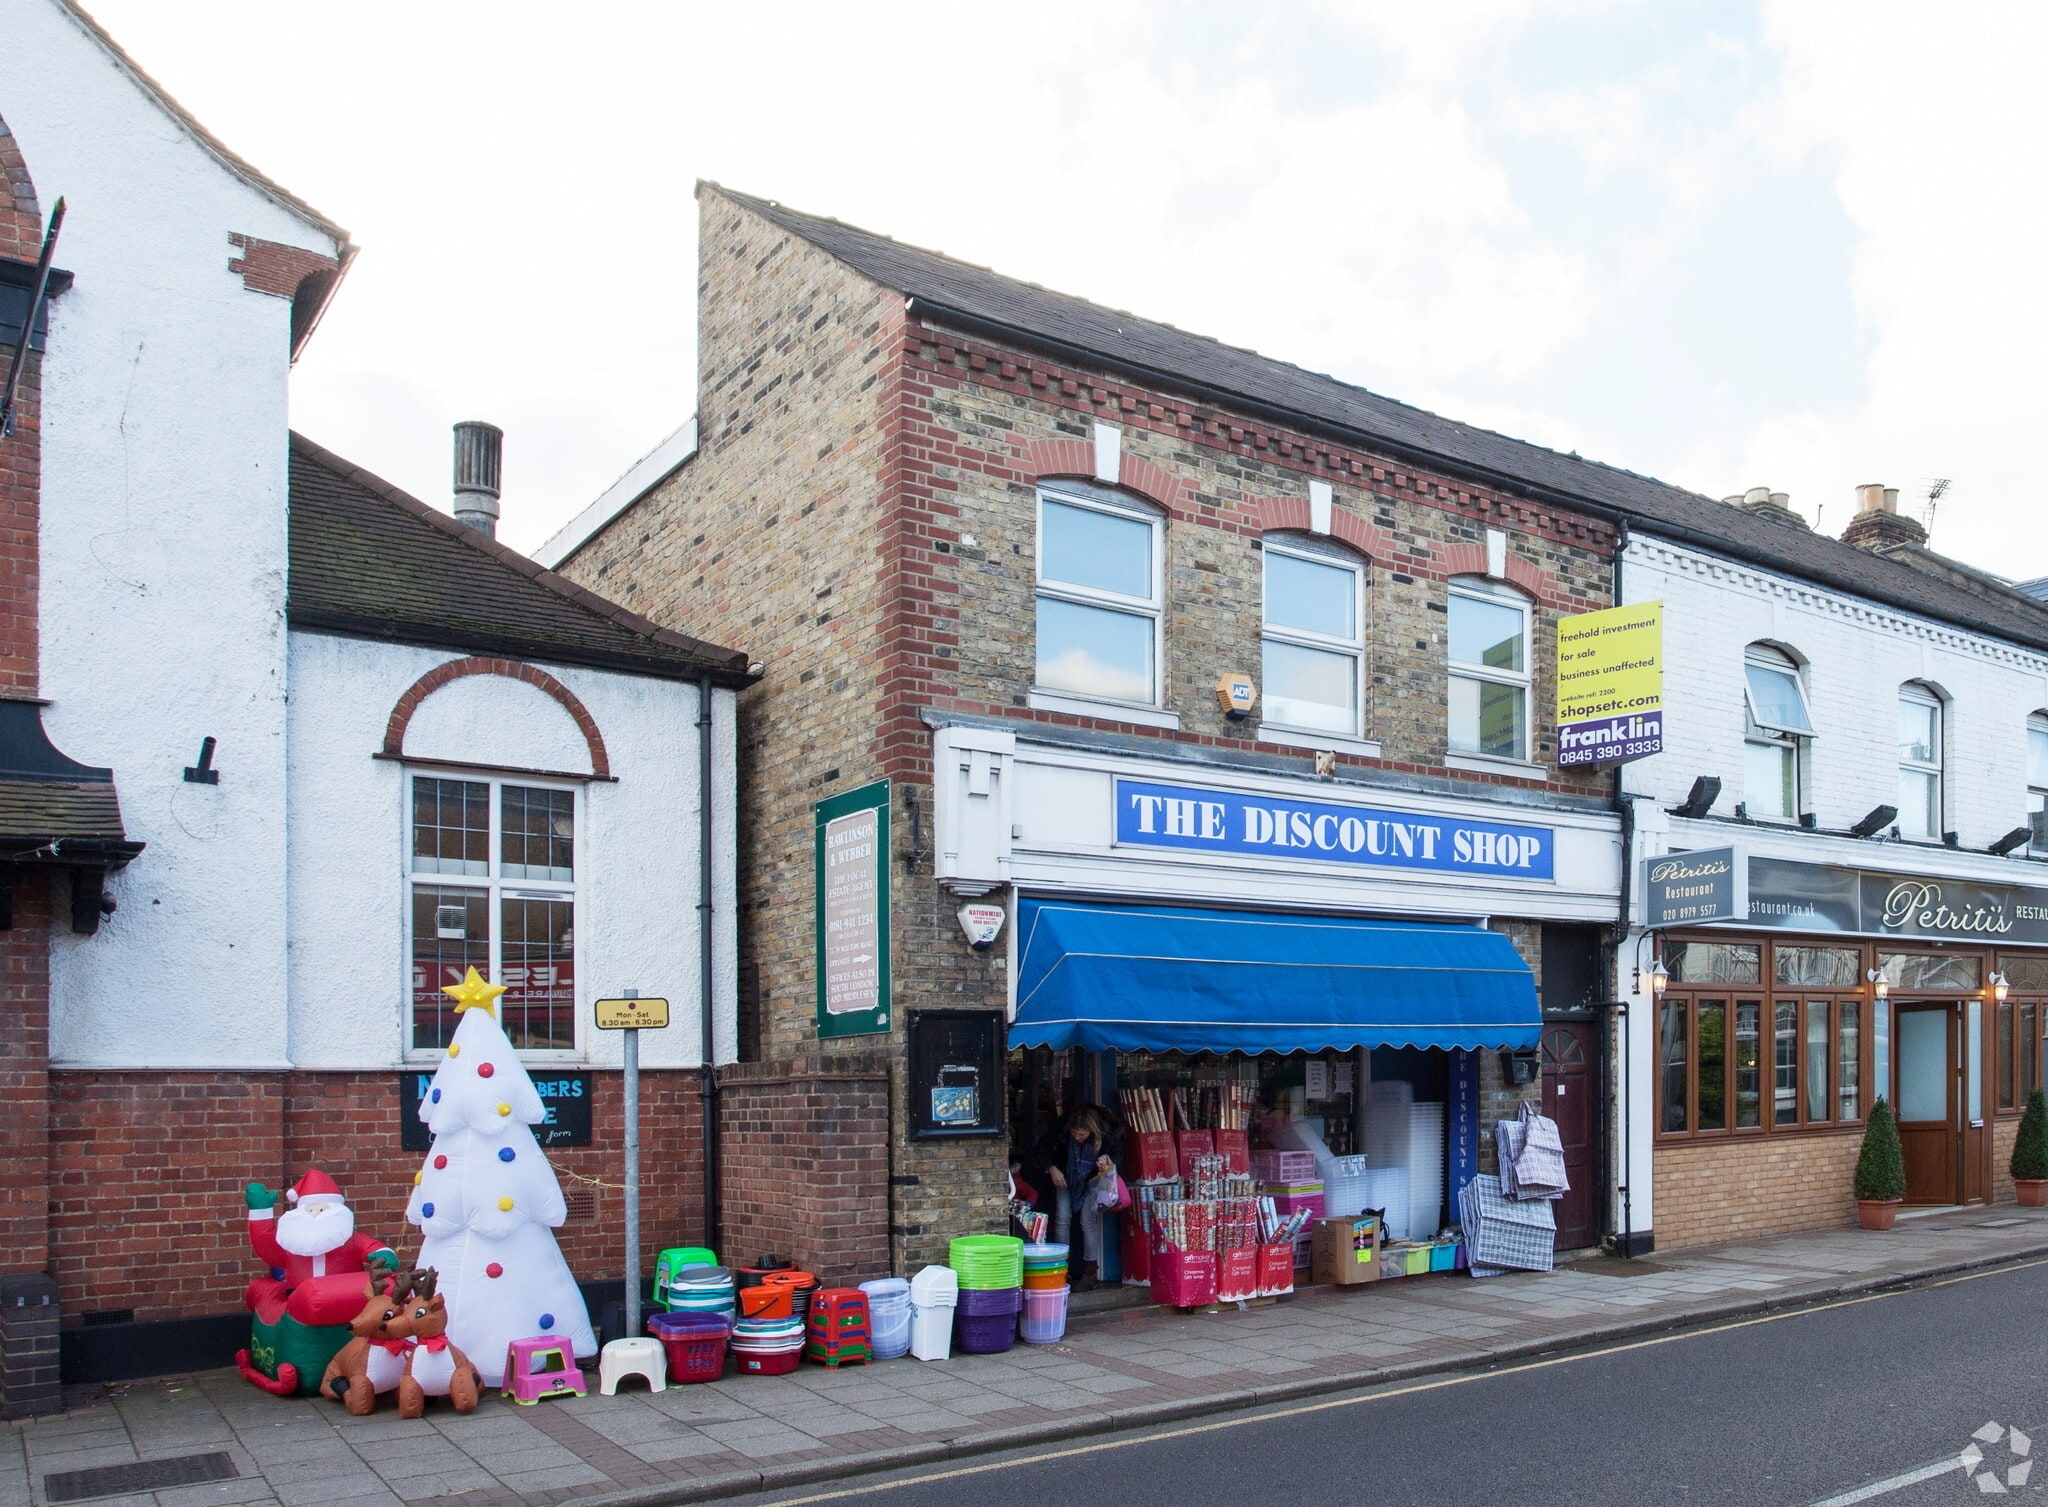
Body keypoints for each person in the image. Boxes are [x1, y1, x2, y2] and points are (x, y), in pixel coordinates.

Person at [1034, 1104, 1122, 1290]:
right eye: (1074, 1133)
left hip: (1092, 1180)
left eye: (1082, 1134)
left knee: (1087, 1221)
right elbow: (1041, 1149)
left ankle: (1090, 1272)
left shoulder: (1105, 1134)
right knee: (1062, 1219)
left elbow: (1118, 1155)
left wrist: (1107, 1161)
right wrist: (1051, 1168)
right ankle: (1060, 1267)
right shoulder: (1061, 1130)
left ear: (1092, 1130)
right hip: (1065, 1178)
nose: (1077, 1137)